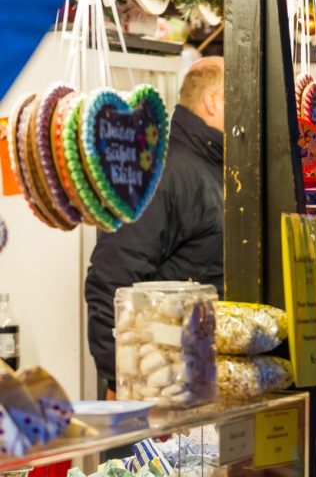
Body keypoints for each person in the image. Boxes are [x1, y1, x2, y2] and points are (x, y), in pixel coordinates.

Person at [85, 56, 225, 396]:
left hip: (195, 384)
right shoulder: (163, 171)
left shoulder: (217, 168)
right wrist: (123, 383)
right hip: (156, 391)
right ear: (212, 101)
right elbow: (110, 280)